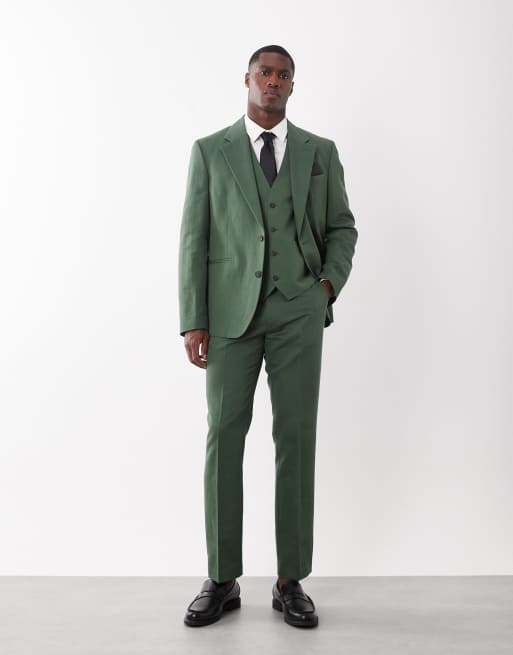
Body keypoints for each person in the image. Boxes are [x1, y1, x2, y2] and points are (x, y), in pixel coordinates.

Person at [178, 44, 358, 628]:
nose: (273, 82)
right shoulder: (210, 151)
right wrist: (194, 317)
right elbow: (194, 238)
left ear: (292, 86)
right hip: (229, 316)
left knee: (296, 438)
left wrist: (325, 289)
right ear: (247, 79)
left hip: (298, 313)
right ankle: (222, 577)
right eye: (265, 73)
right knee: (223, 437)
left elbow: (342, 227)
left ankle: (290, 580)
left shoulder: (319, 152)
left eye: (283, 75)